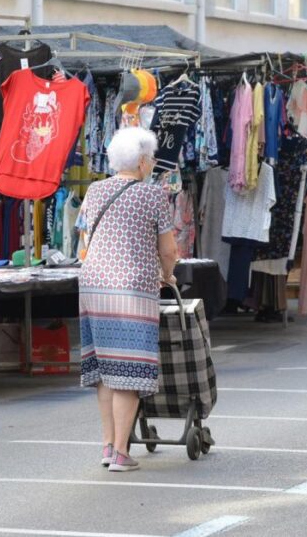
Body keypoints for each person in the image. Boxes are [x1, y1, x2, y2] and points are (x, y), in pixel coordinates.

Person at [77, 127, 178, 472]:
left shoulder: (94, 190)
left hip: (94, 285)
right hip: (131, 288)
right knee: (129, 369)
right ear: (140, 161)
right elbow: (169, 249)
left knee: (106, 370)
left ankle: (108, 446)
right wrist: (167, 273)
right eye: (149, 157)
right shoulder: (153, 195)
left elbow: (84, 240)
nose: (150, 163)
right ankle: (121, 451)